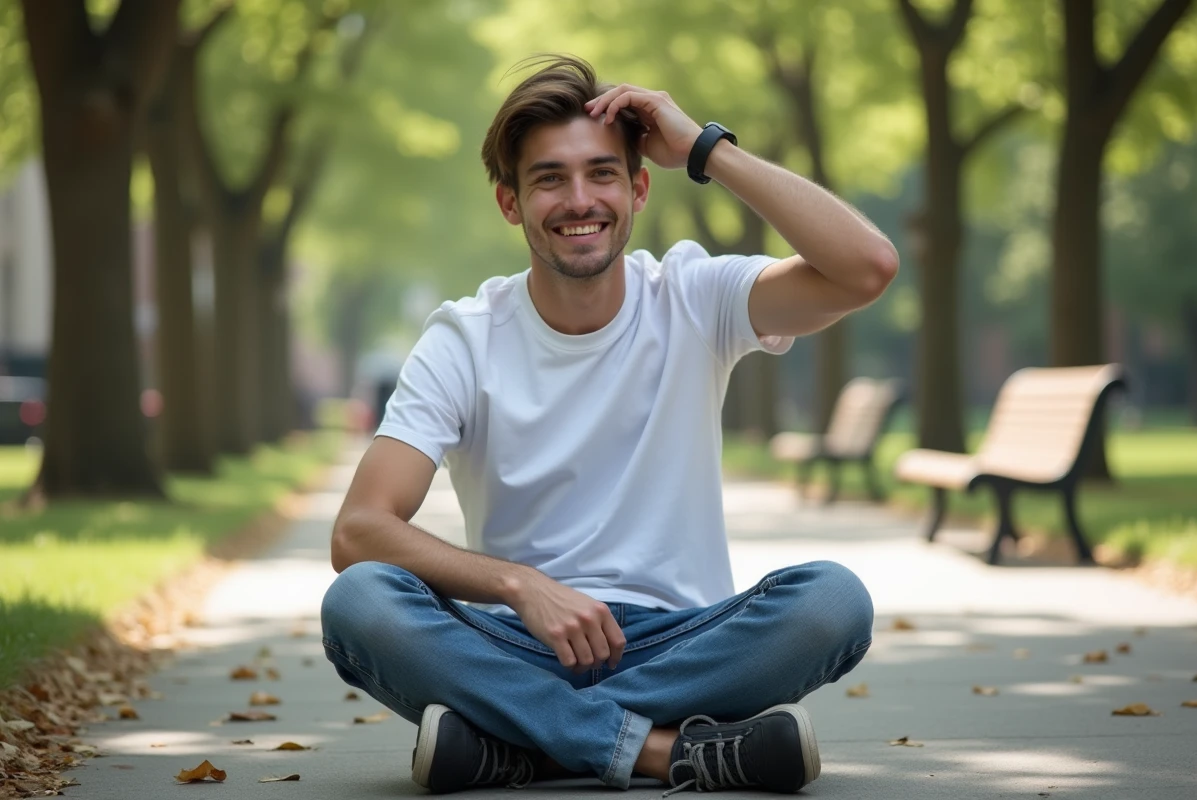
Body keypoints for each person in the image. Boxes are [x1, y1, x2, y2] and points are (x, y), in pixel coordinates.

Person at [321, 55, 896, 795]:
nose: (579, 200)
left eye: (602, 173)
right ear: (510, 202)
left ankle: (527, 744)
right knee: (360, 602)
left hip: (685, 646)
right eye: (549, 179)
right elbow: (359, 531)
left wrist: (705, 147)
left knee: (833, 602)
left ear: (638, 189)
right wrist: (520, 585)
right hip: (517, 645)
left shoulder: (694, 296)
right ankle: (661, 751)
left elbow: (866, 268)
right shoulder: (465, 338)